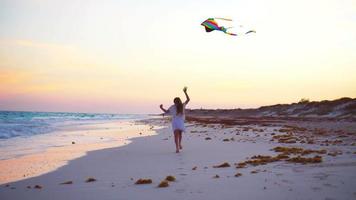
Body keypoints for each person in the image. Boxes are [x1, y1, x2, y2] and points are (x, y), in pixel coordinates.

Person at [160, 87, 190, 153]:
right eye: (175, 102)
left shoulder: (182, 105)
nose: (175, 103)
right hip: (175, 122)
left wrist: (185, 92)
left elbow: (188, 99)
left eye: (176, 102)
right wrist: (161, 108)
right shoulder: (172, 107)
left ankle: (179, 144)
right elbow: (167, 112)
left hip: (181, 121)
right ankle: (177, 148)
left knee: (180, 134)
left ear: (179, 101)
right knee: (176, 135)